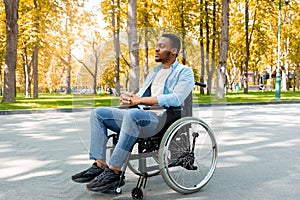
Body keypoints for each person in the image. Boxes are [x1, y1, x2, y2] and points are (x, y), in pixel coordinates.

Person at [71, 33, 195, 192]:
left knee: (132, 115)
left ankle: (114, 171)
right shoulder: (156, 70)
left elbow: (176, 99)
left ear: (173, 51)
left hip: (160, 120)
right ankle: (99, 164)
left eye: (162, 46)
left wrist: (140, 101)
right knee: (98, 113)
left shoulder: (185, 72)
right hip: (140, 115)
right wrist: (131, 97)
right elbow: (142, 94)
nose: (156, 49)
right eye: (157, 45)